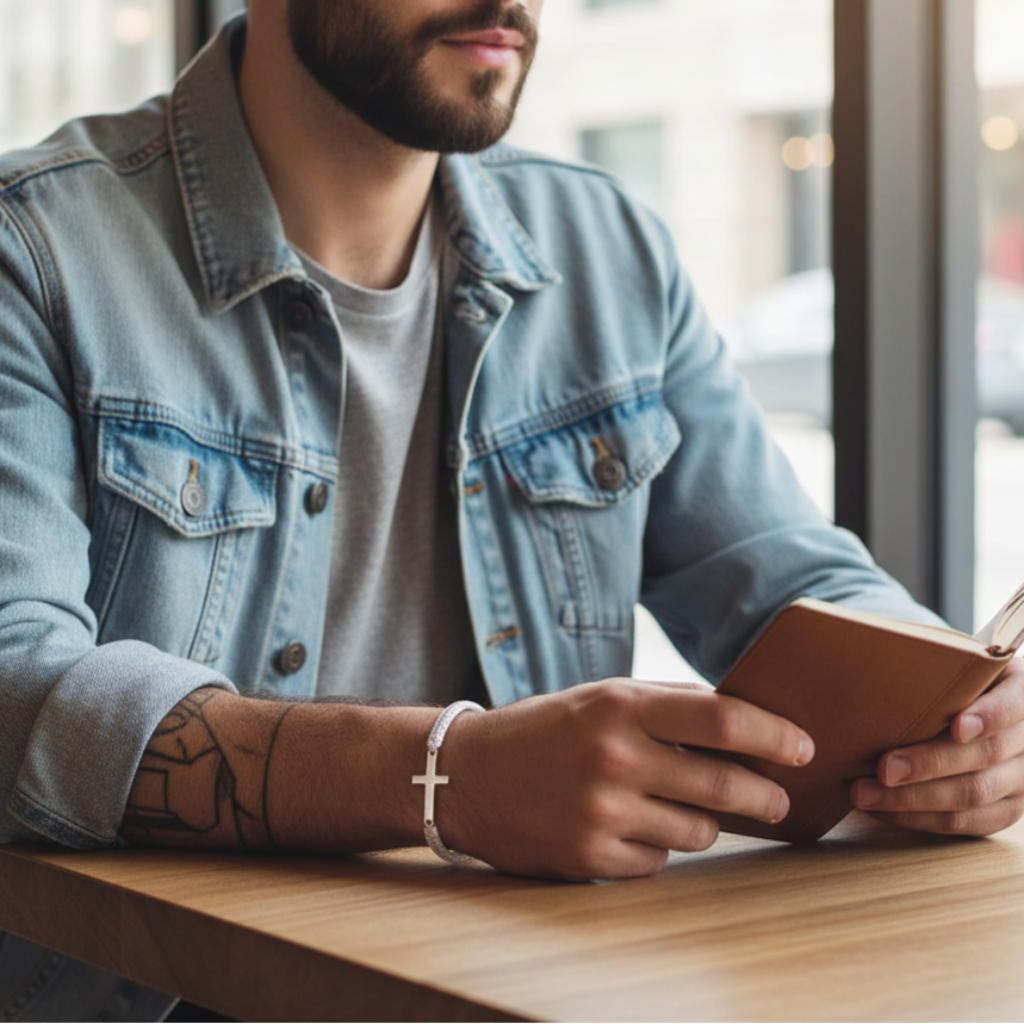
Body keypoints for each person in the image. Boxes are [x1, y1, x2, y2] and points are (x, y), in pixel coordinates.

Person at [2, 1, 1023, 1020]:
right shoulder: (36, 250)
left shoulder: (605, 247)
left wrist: (960, 722)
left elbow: (791, 578)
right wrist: (449, 774)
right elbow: (14, 688)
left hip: (519, 990)